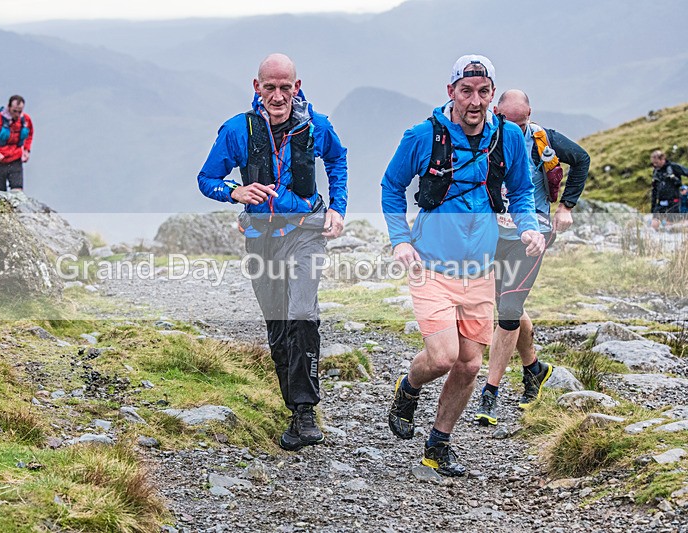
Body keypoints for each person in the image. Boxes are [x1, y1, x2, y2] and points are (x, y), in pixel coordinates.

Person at [382, 55, 544, 476]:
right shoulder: (423, 136)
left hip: (480, 271)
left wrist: (528, 227)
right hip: (431, 267)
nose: (475, 101)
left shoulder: (506, 137)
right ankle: (410, 387)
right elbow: (392, 186)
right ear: (450, 91)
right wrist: (400, 240)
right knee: (443, 357)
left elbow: (523, 190)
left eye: (484, 92)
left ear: (493, 94)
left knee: (471, 363)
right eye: (467, 91)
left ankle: (438, 444)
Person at [197, 53, 348, 451]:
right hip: (261, 239)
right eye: (270, 87)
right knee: (278, 326)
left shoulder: (317, 127)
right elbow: (206, 178)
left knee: (302, 313)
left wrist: (338, 207)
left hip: (306, 233)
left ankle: (305, 411)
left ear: (297, 87)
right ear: (257, 87)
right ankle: (293, 406)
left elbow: (337, 160)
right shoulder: (237, 130)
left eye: (286, 87)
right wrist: (235, 192)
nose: (278, 96)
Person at [473, 89, 590, 426]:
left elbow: (581, 159)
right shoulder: (483, 137)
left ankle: (489, 394)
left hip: (533, 232)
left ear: (530, 115)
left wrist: (567, 206)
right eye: (512, 122)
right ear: (496, 112)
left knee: (508, 312)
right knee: (510, 304)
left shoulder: (543, 139)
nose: (518, 129)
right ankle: (534, 370)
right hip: (494, 233)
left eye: (523, 122)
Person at [650, 150, 688, 230]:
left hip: (673, 202)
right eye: (653, 163)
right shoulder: (656, 171)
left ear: (662, 159)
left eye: (656, 162)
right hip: (660, 203)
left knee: (669, 226)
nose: (654, 165)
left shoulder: (673, 167)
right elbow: (654, 190)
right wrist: (653, 207)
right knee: (653, 225)